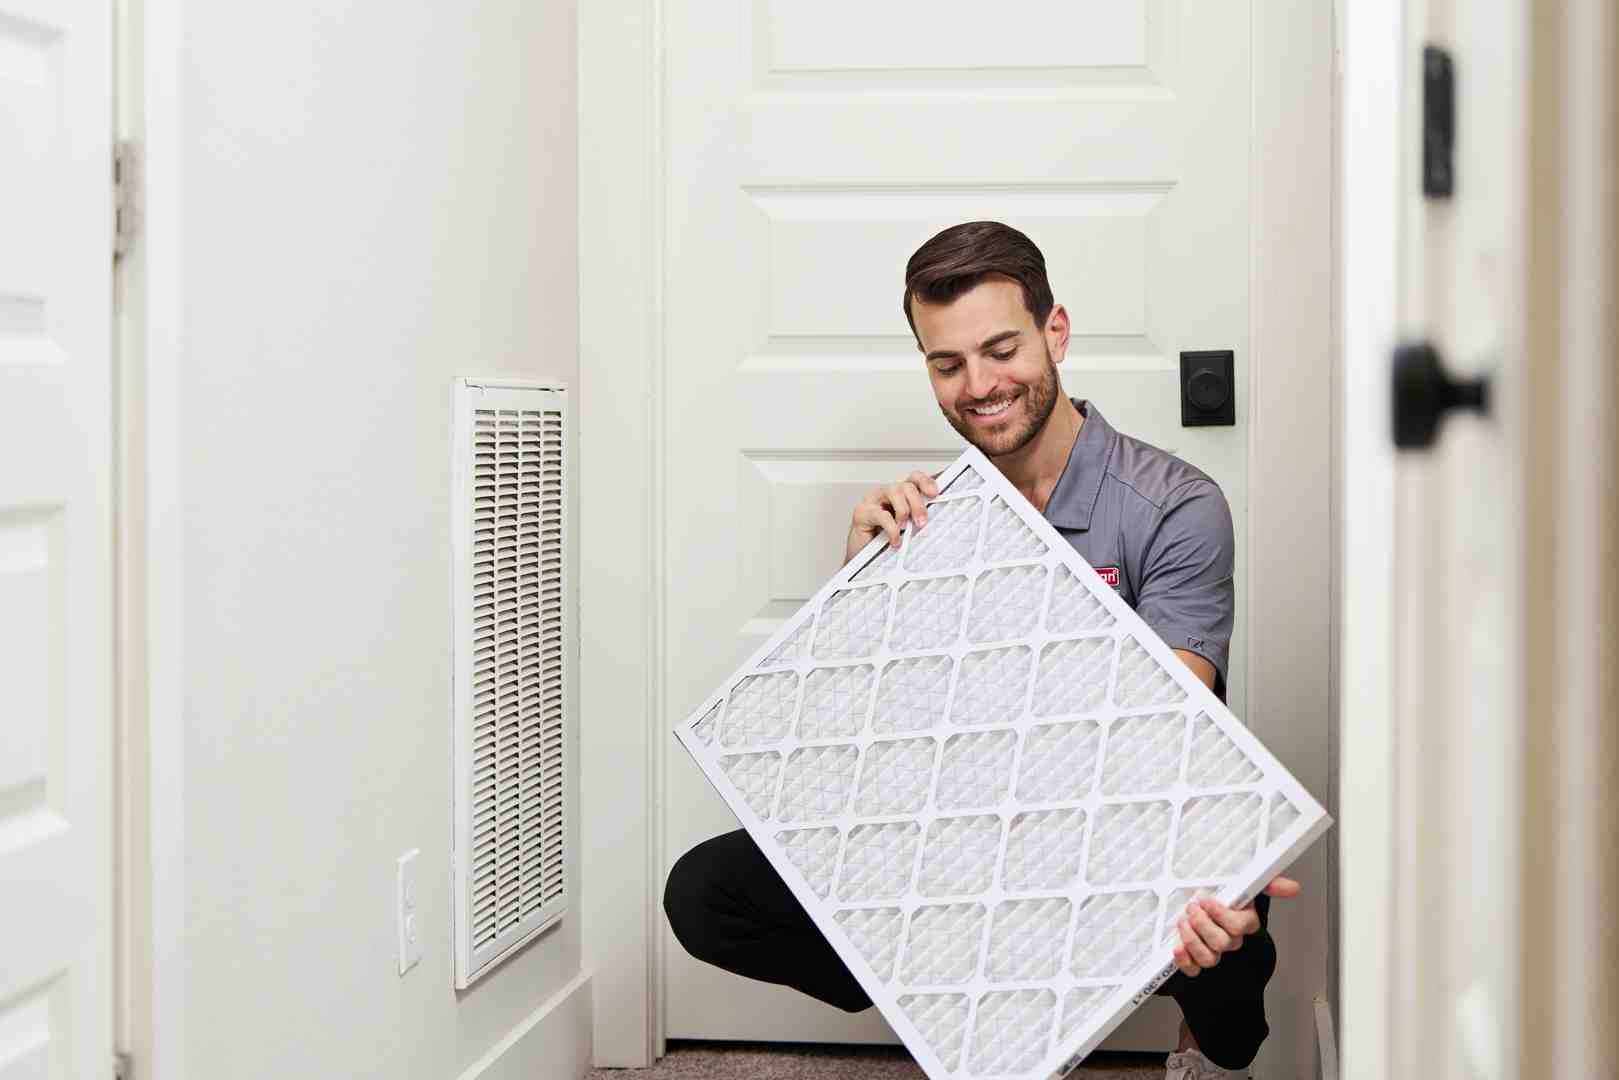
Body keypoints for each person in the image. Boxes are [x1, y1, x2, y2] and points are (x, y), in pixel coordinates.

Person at [664, 222, 1300, 1080]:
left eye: (1001, 349)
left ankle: (1202, 1047)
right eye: (947, 364)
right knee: (706, 891)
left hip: (1126, 823)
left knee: (1230, 919)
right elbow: (879, 749)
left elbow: (1149, 737)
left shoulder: (1174, 506)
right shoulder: (930, 520)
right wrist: (861, 592)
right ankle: (968, 1000)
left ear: (1056, 332)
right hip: (970, 824)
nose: (980, 385)